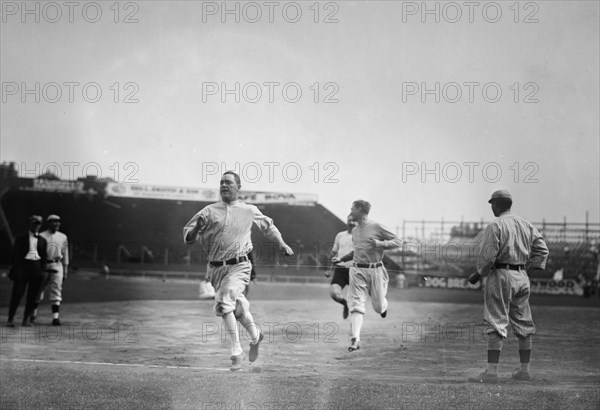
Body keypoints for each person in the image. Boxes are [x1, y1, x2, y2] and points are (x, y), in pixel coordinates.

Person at [183, 171, 294, 371]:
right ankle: (256, 336)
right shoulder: (208, 211)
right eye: (221, 182)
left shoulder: (248, 210)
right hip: (216, 269)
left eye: (228, 182)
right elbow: (188, 237)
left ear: (238, 187)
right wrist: (196, 229)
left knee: (224, 301)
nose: (224, 185)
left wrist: (283, 244)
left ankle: (236, 353)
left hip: (240, 265)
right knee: (238, 309)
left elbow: (269, 227)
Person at [468, 189, 549, 383]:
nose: (492, 208)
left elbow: (488, 257)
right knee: (524, 323)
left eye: (492, 204)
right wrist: (527, 270)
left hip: (501, 275)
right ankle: (524, 370)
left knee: (496, 321)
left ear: (497, 204)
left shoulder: (495, 225)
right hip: (521, 275)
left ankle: (491, 372)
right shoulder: (525, 224)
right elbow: (542, 250)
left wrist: (478, 273)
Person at [333, 200, 402, 352]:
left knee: (378, 307)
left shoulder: (376, 226)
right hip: (357, 270)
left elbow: (398, 241)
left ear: (360, 210)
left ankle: (383, 306)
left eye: (352, 208)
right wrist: (342, 259)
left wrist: (381, 244)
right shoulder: (356, 231)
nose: (350, 211)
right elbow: (356, 251)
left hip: (376, 270)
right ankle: (355, 339)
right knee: (356, 305)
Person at [7, 215, 48, 327]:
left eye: (38, 224)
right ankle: (10, 319)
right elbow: (15, 256)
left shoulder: (43, 241)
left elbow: (44, 257)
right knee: (17, 294)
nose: (36, 226)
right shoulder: (21, 238)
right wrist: (18, 269)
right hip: (24, 267)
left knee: (33, 295)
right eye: (34, 223)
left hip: (36, 268)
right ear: (30, 224)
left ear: (40, 225)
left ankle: (26, 319)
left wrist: (42, 270)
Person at [31, 214, 69, 326]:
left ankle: (55, 318)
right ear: (49, 223)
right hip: (43, 265)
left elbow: (65, 254)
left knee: (56, 290)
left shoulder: (63, 236)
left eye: (58, 221)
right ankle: (33, 315)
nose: (56, 224)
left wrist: (65, 269)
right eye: (54, 221)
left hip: (57, 265)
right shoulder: (41, 235)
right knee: (38, 290)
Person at [327, 215, 357, 319]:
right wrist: (329, 269)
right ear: (347, 221)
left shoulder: (361, 236)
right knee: (334, 293)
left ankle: (354, 326)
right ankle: (345, 304)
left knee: (356, 301)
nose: (351, 222)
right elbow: (333, 253)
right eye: (349, 220)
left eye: (354, 220)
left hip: (355, 271)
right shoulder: (340, 235)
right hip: (340, 270)